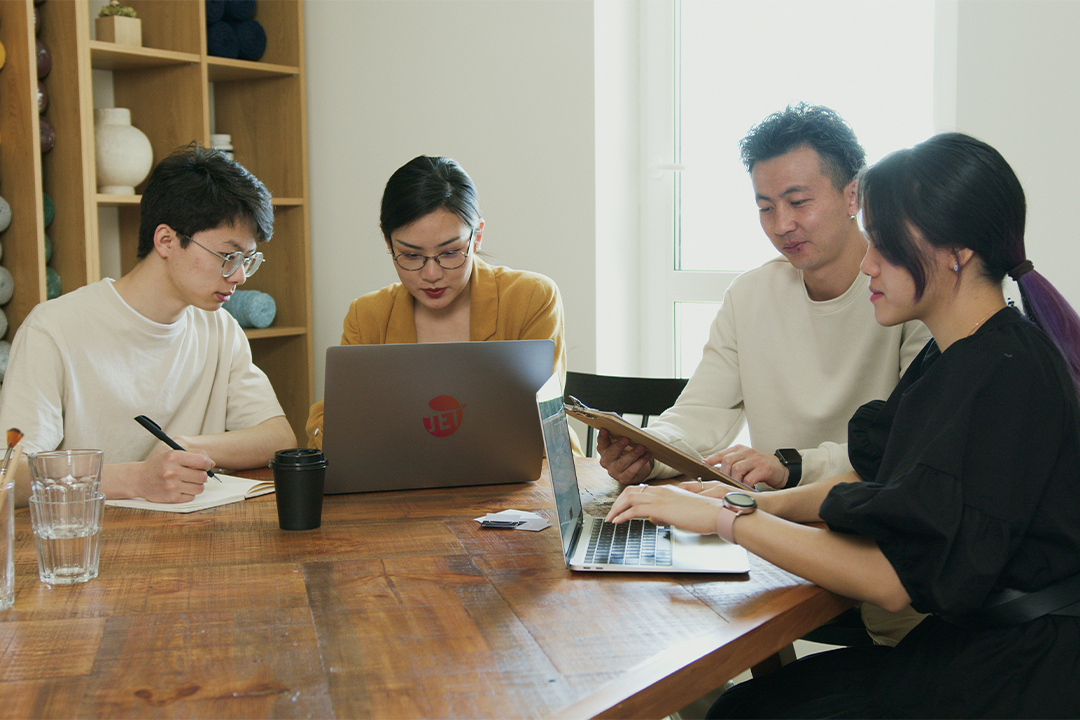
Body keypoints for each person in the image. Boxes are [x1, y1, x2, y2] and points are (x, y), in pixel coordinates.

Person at [607, 133, 1080, 718]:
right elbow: (872, 477)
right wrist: (749, 501)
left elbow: (890, 580)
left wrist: (728, 517)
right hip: (971, 647)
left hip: (1012, 671)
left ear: (954, 251)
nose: (867, 263)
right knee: (745, 706)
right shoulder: (960, 355)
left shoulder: (1001, 374)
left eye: (883, 245)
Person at [599, 103, 928, 645]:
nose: (782, 225)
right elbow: (701, 413)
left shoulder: (907, 292)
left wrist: (789, 466)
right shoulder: (751, 295)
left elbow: (903, 451)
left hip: (876, 539)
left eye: (799, 202)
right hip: (772, 528)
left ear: (853, 195)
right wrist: (648, 448)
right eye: (765, 207)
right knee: (654, 616)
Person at [0, 143, 296, 507]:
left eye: (247, 260)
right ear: (166, 240)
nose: (238, 276)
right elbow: (11, 473)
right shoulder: (54, 329)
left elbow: (279, 437)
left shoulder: (219, 328)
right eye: (228, 255)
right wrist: (139, 478)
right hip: (87, 546)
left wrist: (187, 447)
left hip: (194, 539)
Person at [306, 155, 575, 451]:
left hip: (526, 481)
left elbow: (543, 417)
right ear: (387, 241)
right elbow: (332, 416)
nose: (431, 275)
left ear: (478, 236)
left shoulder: (531, 297)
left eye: (450, 253)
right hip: (406, 477)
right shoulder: (368, 315)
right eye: (410, 255)